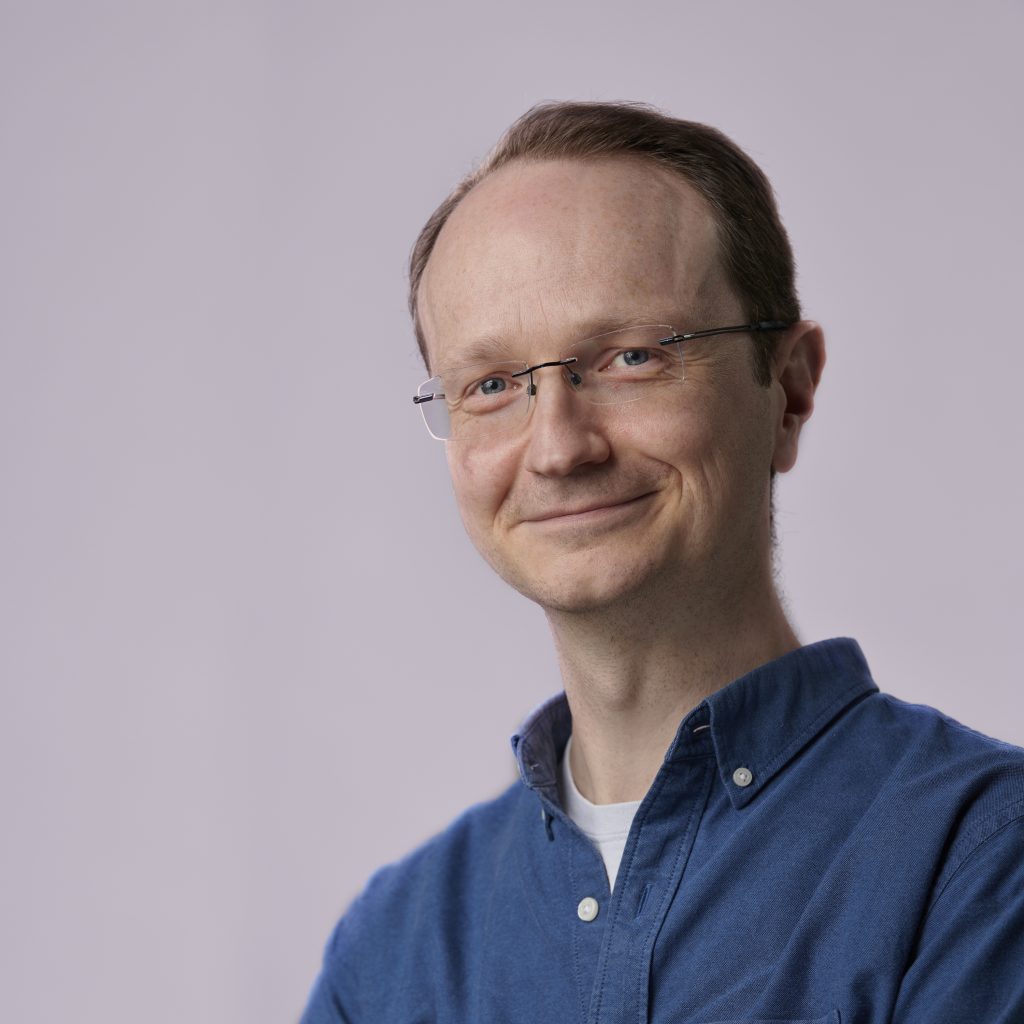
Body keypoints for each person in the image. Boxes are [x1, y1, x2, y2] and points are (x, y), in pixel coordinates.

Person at [301, 101, 1024, 1023]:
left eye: (632, 357)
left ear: (791, 391)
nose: (558, 446)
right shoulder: (393, 949)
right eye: (491, 386)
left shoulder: (979, 863)